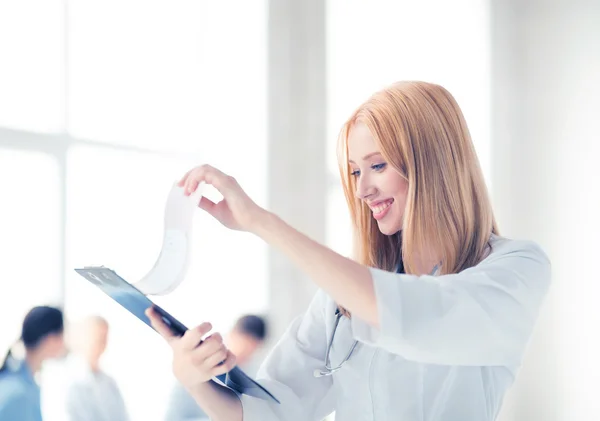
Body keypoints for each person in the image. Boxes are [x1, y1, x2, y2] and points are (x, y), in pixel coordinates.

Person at [146, 81, 552, 421]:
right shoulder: (340, 302)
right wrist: (194, 378)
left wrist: (261, 222)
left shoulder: (515, 269)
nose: (361, 190)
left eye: (377, 166)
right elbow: (271, 409)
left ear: (432, 163)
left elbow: (417, 313)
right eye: (356, 171)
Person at [163, 315, 267, 421]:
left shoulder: (255, 376)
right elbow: (173, 417)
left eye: (249, 351)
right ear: (232, 334)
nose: (243, 355)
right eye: (242, 346)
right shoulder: (197, 363)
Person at [42, 315, 130, 421]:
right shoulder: (62, 379)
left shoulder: (109, 382)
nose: (101, 342)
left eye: (104, 337)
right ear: (81, 337)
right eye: (96, 336)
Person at [0, 306, 66, 421]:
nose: (64, 342)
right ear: (50, 339)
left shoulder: (24, 382)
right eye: (62, 335)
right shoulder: (18, 393)